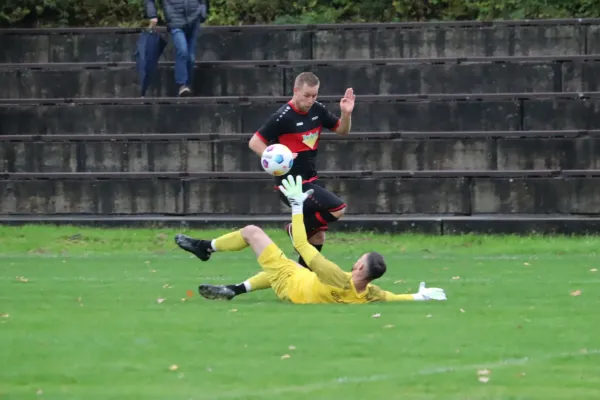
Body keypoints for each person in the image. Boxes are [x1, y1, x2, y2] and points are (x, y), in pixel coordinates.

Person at [175, 175, 448, 304]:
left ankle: (205, 248)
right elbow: (392, 297)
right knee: (286, 267)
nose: (356, 260)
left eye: (359, 260)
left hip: (291, 283)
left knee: (251, 232)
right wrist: (420, 296)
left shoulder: (335, 275)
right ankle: (234, 289)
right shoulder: (368, 295)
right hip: (298, 283)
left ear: (361, 269)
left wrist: (296, 205)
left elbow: (303, 245)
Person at [145, 0, 209, 97]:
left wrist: (202, 11)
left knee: (191, 58)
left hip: (194, 17)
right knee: (183, 51)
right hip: (175, 19)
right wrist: (152, 15)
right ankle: (182, 85)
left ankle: (187, 87)